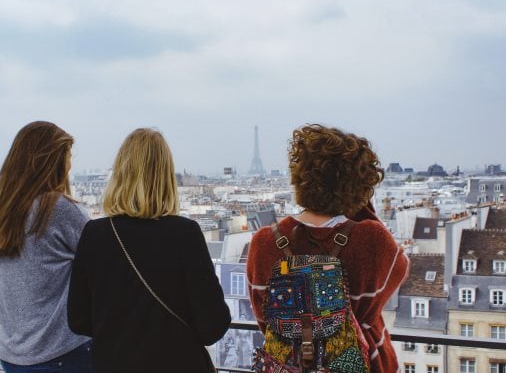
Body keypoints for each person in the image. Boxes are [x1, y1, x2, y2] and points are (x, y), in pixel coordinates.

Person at [246, 124, 409, 373]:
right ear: (361, 186)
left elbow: (265, 320)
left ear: (299, 177)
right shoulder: (372, 239)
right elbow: (398, 273)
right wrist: (363, 209)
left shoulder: (264, 242)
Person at [67, 128, 231, 373]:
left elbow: (78, 320)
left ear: (120, 174)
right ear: (166, 176)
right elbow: (213, 326)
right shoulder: (185, 234)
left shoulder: (95, 233)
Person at [0, 121, 92, 373]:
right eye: (66, 157)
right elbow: (104, 260)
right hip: (59, 353)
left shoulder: (6, 210)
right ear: (52, 162)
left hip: (14, 354)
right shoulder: (58, 209)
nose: (69, 166)